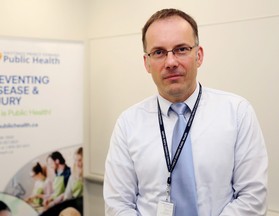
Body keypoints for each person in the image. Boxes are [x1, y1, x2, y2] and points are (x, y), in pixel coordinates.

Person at [103, 8, 268, 216]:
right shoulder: (128, 123)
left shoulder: (237, 113)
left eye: (181, 49)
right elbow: (117, 204)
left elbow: (252, 197)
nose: (171, 62)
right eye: (159, 52)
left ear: (198, 56)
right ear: (147, 63)